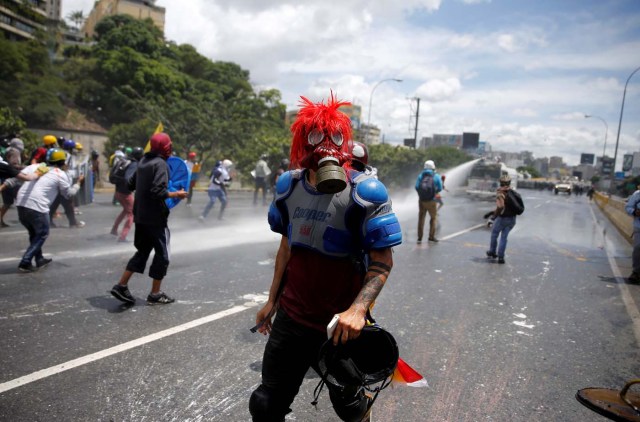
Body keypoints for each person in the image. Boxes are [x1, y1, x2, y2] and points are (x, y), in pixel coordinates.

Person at [250, 93, 402, 422]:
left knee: (350, 407)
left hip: (339, 327)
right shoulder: (288, 188)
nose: (326, 147)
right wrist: (271, 301)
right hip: (292, 319)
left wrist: (358, 310)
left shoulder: (366, 193)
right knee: (266, 402)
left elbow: (382, 261)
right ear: (303, 143)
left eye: (334, 137)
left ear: (344, 143)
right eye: (316, 137)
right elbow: (287, 249)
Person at [109, 133, 188, 305]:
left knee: (143, 251)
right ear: (166, 147)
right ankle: (155, 293)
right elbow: (157, 191)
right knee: (163, 256)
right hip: (156, 218)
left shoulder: (143, 161)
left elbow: (130, 184)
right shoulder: (161, 164)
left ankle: (121, 285)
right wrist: (177, 194)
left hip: (140, 216)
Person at [12, 149, 83, 272]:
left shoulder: (35, 166)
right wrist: (78, 183)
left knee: (34, 234)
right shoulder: (60, 174)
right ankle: (25, 262)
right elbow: (69, 194)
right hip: (37, 207)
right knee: (42, 233)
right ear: (63, 162)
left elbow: (18, 177)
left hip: (21, 204)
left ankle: (39, 259)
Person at [486, 174, 523, 264]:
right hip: (512, 220)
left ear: (501, 183)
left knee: (494, 234)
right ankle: (501, 257)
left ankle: (492, 252)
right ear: (509, 183)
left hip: (502, 219)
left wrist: (493, 217)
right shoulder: (512, 192)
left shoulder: (501, 192)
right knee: (504, 238)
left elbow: (500, 206)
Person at [110, 147, 143, 242]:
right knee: (132, 214)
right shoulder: (134, 164)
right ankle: (123, 237)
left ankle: (114, 229)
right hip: (126, 194)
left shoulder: (126, 161)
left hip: (118, 192)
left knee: (125, 210)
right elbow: (128, 178)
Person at [415, 160, 443, 243]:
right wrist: (434, 192)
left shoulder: (420, 176)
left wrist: (421, 195)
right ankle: (431, 236)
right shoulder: (436, 176)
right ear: (433, 167)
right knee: (433, 218)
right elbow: (440, 188)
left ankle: (419, 237)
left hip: (421, 200)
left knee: (421, 218)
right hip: (432, 200)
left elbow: (416, 187)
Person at [0, 138, 24, 227]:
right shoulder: (15, 152)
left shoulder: (8, 150)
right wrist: (25, 168)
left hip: (4, 178)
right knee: (21, 199)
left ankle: (1, 221)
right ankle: (23, 219)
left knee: (7, 202)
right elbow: (14, 164)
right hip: (12, 178)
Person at [625, 184, 640, 283]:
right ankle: (636, 272)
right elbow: (628, 207)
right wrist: (635, 212)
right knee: (638, 249)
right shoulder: (637, 195)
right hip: (639, 227)